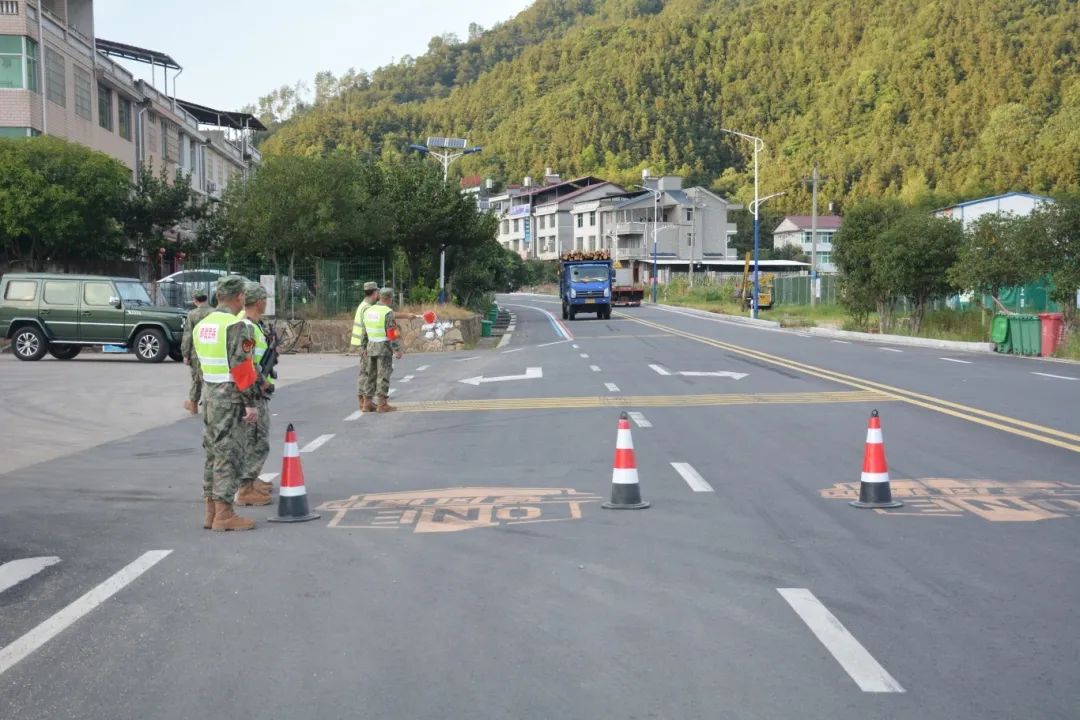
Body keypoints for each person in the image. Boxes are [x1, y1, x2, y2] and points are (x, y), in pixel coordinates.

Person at [192, 276, 260, 531]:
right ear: (240, 297)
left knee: (213, 454)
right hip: (230, 398)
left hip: (210, 396)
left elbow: (197, 367)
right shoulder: (237, 326)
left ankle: (210, 512)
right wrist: (251, 403)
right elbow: (243, 367)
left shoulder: (202, 325)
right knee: (228, 455)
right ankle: (224, 513)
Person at [234, 282, 274, 506]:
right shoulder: (247, 327)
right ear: (259, 302)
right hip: (253, 389)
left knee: (255, 438)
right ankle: (245, 488)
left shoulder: (252, 324)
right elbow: (246, 361)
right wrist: (261, 381)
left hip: (254, 388)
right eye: (264, 299)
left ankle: (251, 480)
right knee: (257, 440)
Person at [362, 287, 403, 413]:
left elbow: (364, 331)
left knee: (370, 375)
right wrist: (397, 349)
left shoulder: (368, 310)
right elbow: (391, 332)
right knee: (383, 375)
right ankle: (382, 404)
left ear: (380, 297)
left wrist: (363, 347)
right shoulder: (387, 312)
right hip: (383, 348)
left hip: (370, 347)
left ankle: (367, 403)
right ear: (389, 298)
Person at [181, 291, 214, 414]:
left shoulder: (192, 314)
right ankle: (210, 406)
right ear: (206, 298)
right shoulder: (214, 313)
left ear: (195, 300)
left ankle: (193, 405)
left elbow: (188, 335)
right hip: (212, 350)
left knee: (196, 379)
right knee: (210, 380)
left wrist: (185, 354)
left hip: (197, 352)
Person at [351, 281, 380, 412]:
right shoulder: (367, 308)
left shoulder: (362, 305)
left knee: (364, 372)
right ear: (374, 293)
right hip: (365, 344)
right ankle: (365, 402)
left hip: (361, 344)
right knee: (368, 373)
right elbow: (366, 329)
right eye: (377, 291)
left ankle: (363, 401)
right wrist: (364, 347)